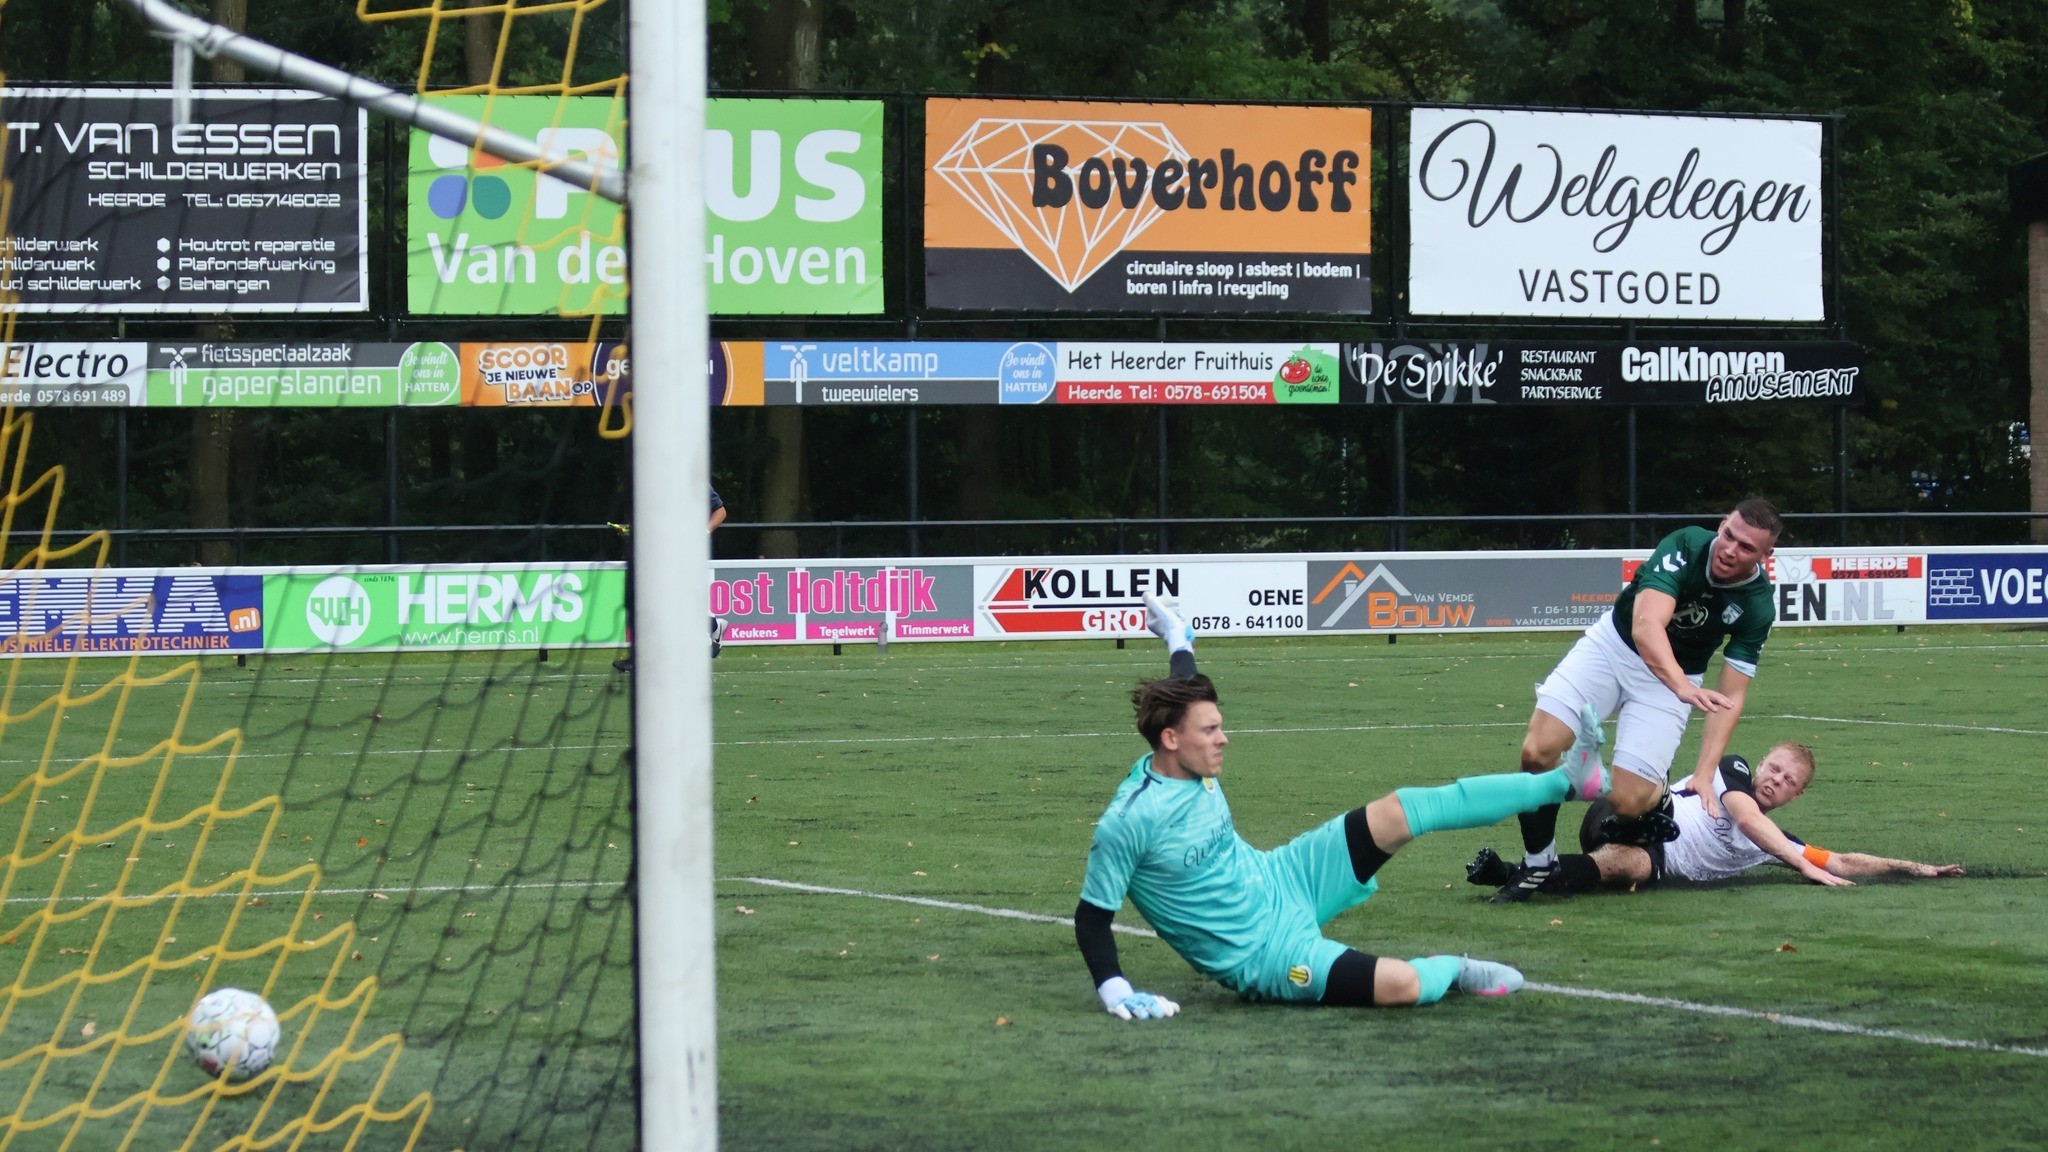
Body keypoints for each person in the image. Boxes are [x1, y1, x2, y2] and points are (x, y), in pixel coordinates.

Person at [1072, 596, 1610, 1021]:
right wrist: (1115, 989)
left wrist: (1175, 636)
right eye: (1211, 731)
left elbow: (1185, 681)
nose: (1224, 740)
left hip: (1284, 875)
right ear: (1170, 740)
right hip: (1266, 956)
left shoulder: (1189, 751)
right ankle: (1456, 969)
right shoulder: (1130, 820)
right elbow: (1092, 917)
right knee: (1402, 986)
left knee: (1404, 809)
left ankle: (1567, 782)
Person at [1490, 499, 1783, 903]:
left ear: (1766, 556)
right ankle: (1539, 861)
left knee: (1627, 803)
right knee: (1537, 752)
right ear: (1721, 525)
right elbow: (1646, 627)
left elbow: (1731, 695)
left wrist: (1704, 771)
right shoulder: (1685, 545)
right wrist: (1681, 685)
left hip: (1670, 684)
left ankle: (1657, 797)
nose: (1730, 549)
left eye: (1747, 547)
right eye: (1728, 535)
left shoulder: (1757, 605)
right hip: (1613, 649)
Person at [1466, 741, 1963, 894]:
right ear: (1761, 762)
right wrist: (1802, 866)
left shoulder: (1779, 840)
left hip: (1649, 858)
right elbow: (1747, 819)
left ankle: (1511, 874)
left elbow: (1844, 862)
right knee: (1650, 801)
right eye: (1775, 768)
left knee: (1629, 867)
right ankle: (1588, 782)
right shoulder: (1733, 773)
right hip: (1621, 812)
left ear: (1797, 794)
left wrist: (1918, 868)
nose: (1775, 780)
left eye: (1788, 781)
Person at [613, 487, 728, 673]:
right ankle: (711, 628)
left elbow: (720, 512)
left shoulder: (692, 481)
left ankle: (706, 637)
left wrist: (702, 534)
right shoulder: (647, 481)